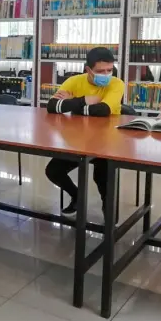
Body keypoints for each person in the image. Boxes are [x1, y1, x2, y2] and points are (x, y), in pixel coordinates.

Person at [45, 47, 125, 214]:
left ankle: (109, 211)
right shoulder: (75, 81)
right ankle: (77, 196)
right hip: (77, 140)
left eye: (109, 70)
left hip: (106, 142)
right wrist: (85, 100)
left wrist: (72, 103)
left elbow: (104, 110)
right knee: (53, 171)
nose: (106, 74)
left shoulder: (116, 83)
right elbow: (52, 106)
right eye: (100, 71)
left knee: (103, 178)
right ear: (88, 69)